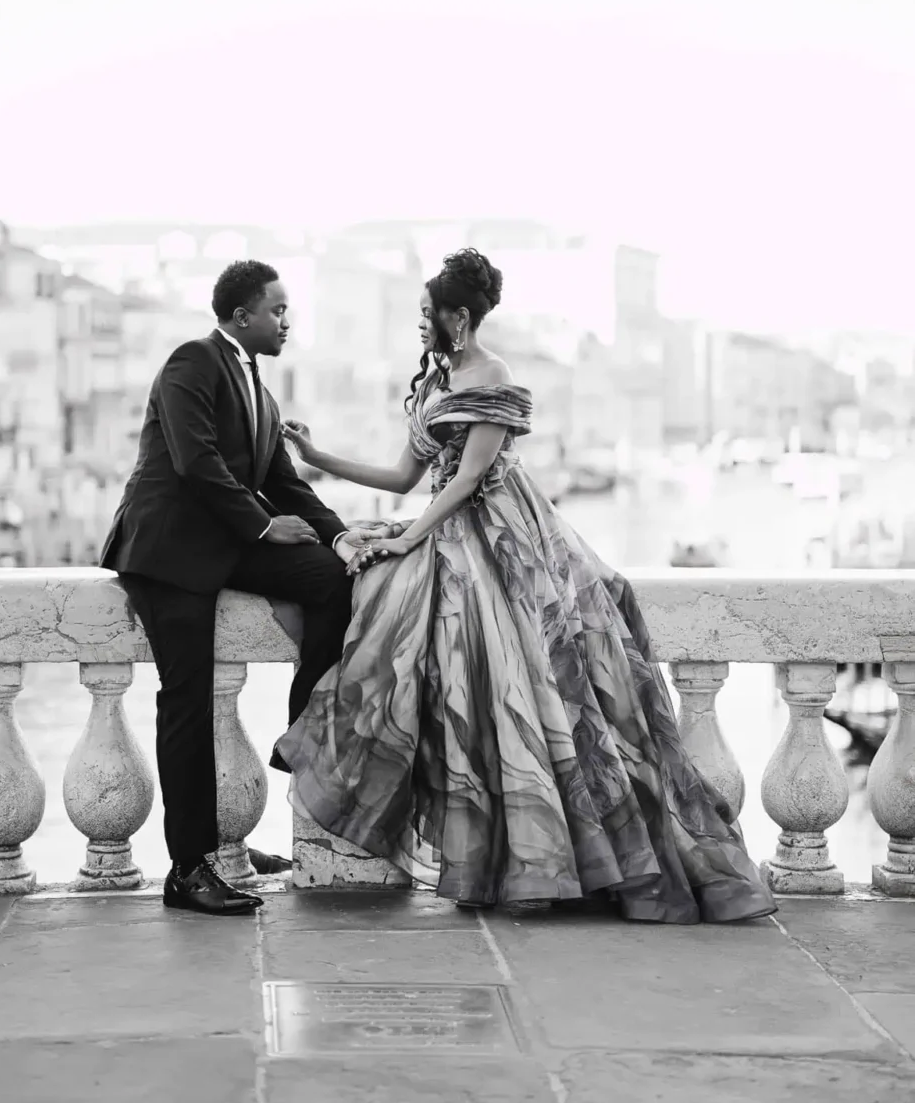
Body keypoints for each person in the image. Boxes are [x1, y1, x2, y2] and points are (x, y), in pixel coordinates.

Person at [278, 247, 776, 924]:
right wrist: (317, 458)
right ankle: (497, 858)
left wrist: (406, 537)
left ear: (459, 315)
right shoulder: (436, 383)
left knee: (523, 688)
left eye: (429, 315)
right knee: (450, 684)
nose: (420, 326)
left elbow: (467, 481)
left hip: (503, 538)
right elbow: (402, 478)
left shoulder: (494, 375)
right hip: (445, 530)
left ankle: (551, 860)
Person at [100, 261, 365, 916]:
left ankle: (298, 732)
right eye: (277, 310)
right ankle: (188, 869)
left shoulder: (258, 389)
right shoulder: (193, 360)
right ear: (242, 315)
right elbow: (195, 463)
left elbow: (286, 483)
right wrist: (264, 527)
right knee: (187, 701)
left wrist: (340, 538)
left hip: (222, 543)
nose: (286, 321)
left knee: (332, 579)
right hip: (166, 553)